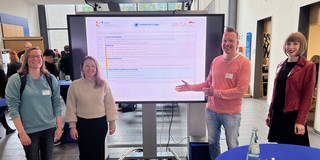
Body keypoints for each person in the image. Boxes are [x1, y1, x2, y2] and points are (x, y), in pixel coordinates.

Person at [175, 27, 251, 159]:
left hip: (231, 114)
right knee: (213, 143)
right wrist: (190, 87)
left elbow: (240, 91)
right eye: (224, 40)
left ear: (237, 43)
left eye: (231, 40)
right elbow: (207, 84)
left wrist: (215, 92)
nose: (227, 43)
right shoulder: (216, 61)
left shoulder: (244, 63)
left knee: (232, 145)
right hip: (211, 111)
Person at [5, 48, 62, 159]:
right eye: (32, 56)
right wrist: (21, 133)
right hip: (29, 130)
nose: (36, 59)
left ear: (42, 59)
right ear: (26, 59)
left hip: (49, 129)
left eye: (38, 56)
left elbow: (56, 104)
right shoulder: (16, 80)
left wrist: (59, 127)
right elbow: (13, 108)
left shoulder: (50, 79)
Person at [266, 32, 316, 147]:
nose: (291, 47)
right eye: (288, 43)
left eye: (295, 44)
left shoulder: (308, 66)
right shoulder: (280, 65)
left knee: (296, 151)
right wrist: (270, 115)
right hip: (278, 113)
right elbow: (276, 92)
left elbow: (307, 97)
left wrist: (300, 121)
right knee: (281, 148)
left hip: (293, 115)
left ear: (301, 46)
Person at [66, 56, 118, 160]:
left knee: (98, 153)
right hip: (82, 125)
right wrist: (72, 126)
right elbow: (71, 107)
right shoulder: (75, 85)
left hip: (99, 124)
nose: (90, 69)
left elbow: (110, 104)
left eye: (93, 66)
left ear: (97, 68)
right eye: (87, 66)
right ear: (82, 68)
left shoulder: (103, 84)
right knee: (85, 154)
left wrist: (112, 122)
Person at [0, 58, 16, 135]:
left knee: (1, 114)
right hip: (2, 96)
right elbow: (5, 83)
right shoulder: (0, 72)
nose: (1, 62)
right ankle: (7, 128)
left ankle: (7, 128)